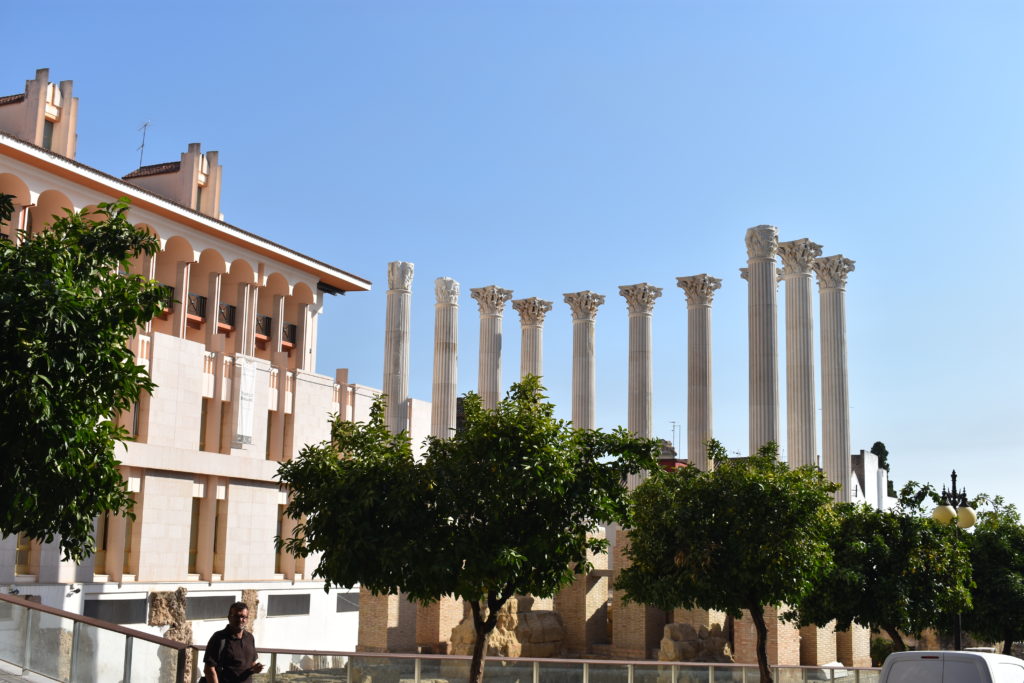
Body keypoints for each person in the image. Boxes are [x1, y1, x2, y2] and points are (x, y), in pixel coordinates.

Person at [203, 601, 264, 683]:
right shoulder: (219, 638)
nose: (240, 620)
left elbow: (250, 663)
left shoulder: (250, 638)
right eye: (236, 616)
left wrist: (255, 668)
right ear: (229, 617)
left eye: (243, 617)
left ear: (247, 619)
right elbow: (209, 669)